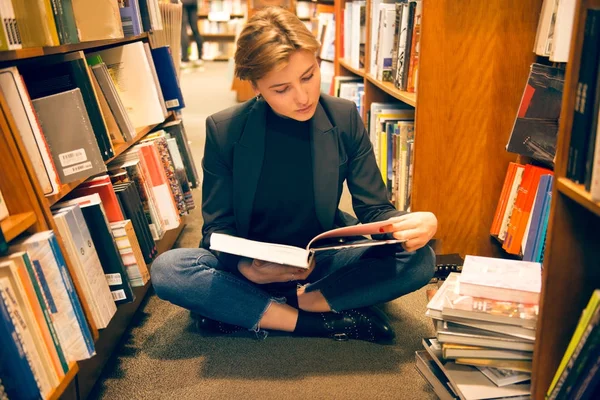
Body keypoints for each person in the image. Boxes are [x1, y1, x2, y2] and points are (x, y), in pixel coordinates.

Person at [152, 7, 437, 343]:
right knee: (170, 270)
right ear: (256, 85)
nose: (303, 97)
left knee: (420, 259)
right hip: (251, 268)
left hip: (319, 261)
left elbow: (375, 211)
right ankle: (320, 321)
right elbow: (217, 229)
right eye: (281, 88)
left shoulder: (344, 117)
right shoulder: (225, 130)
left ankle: (253, 312)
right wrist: (248, 268)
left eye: (308, 76)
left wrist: (411, 225)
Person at [180, 0, 204, 67]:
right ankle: (200, 57)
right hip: (193, 2)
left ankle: (185, 58)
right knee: (195, 28)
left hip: (182, 3)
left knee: (183, 29)